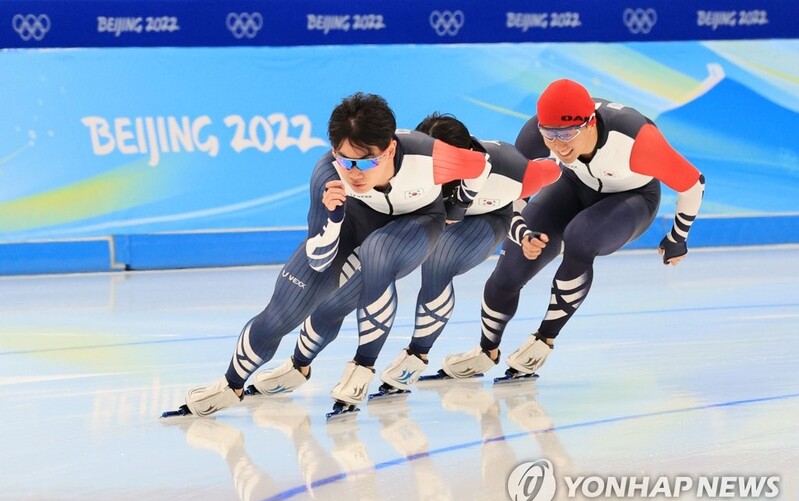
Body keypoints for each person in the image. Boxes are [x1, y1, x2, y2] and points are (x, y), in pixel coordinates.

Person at [168, 92, 493, 417]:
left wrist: (457, 209)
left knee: (378, 253)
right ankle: (237, 383)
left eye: (366, 162)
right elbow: (319, 258)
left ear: (391, 148)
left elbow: (481, 165)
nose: (354, 172)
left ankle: (362, 366)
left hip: (418, 222)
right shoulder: (327, 174)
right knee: (287, 310)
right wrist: (333, 217)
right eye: (344, 159)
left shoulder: (431, 157)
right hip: (356, 217)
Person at [248, 113, 560, 404]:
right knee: (340, 295)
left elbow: (545, 180)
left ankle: (416, 356)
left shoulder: (511, 169)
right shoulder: (411, 164)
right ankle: (299, 364)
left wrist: (525, 236)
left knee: (441, 261)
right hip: (428, 218)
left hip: (487, 219)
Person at [440, 78, 705, 381]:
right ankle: (487, 350)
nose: (558, 145)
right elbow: (516, 199)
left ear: (591, 123)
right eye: (549, 135)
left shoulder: (636, 140)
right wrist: (523, 234)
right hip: (573, 185)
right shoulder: (533, 134)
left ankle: (544, 338)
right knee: (510, 268)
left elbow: (693, 183)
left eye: (566, 134)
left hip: (633, 198)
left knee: (580, 237)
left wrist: (678, 238)